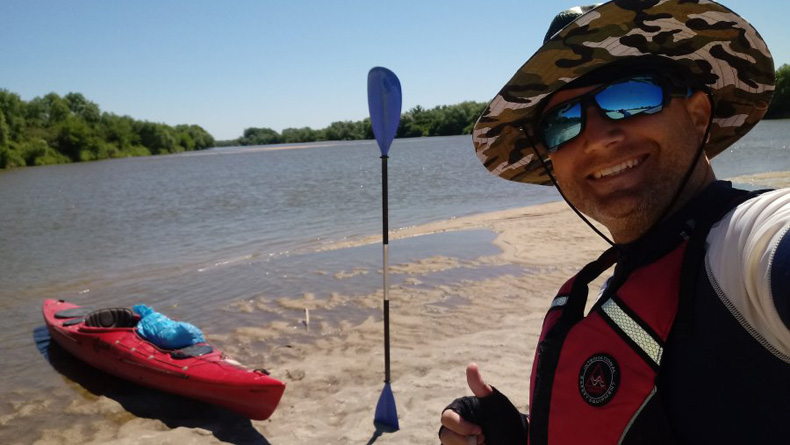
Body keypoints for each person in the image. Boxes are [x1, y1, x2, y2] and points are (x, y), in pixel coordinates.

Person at [439, 1, 787, 444]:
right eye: (562, 123)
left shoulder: (748, 250)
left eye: (631, 97)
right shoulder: (617, 286)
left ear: (698, 114)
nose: (597, 140)